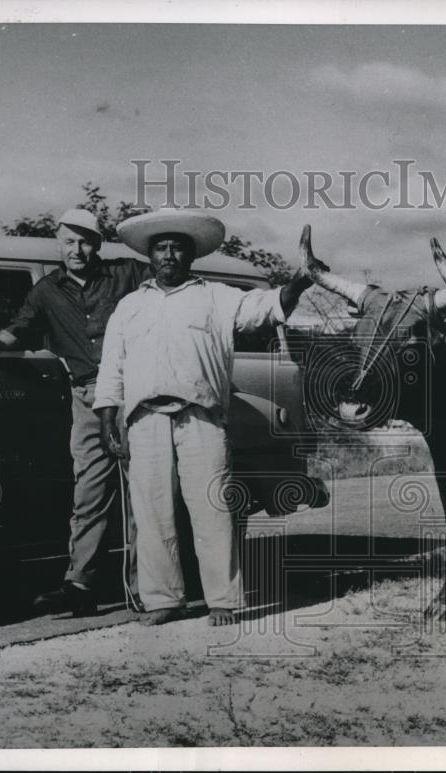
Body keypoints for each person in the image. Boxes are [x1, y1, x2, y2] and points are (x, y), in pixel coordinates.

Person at [93, 209, 315, 626]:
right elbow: (112, 368)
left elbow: (266, 306)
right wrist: (108, 418)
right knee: (152, 511)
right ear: (150, 255)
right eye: (161, 247)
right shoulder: (129, 306)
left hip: (203, 419)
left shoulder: (217, 296)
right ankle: (164, 600)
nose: (169, 255)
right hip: (144, 421)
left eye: (178, 247)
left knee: (212, 510)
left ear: (191, 255)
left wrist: (301, 281)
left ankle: (223, 601)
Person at [0, 208, 150, 616]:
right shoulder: (46, 290)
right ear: (58, 242)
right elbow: (16, 330)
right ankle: (81, 585)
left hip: (133, 392)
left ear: (97, 243)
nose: (76, 250)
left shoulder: (128, 273)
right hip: (86, 398)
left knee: (142, 494)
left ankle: (146, 588)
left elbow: (171, 293)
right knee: (89, 494)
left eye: (84, 241)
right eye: (68, 241)